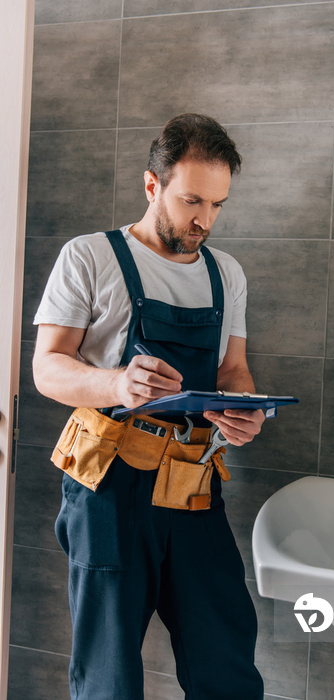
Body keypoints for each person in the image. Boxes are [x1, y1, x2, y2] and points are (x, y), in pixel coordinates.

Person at [32, 113, 265, 700]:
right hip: (108, 484)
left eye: (217, 205)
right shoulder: (89, 257)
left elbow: (233, 371)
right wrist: (117, 387)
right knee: (108, 671)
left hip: (190, 480)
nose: (203, 220)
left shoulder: (225, 273)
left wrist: (244, 411)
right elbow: (46, 368)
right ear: (151, 186)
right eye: (192, 201)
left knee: (226, 653)